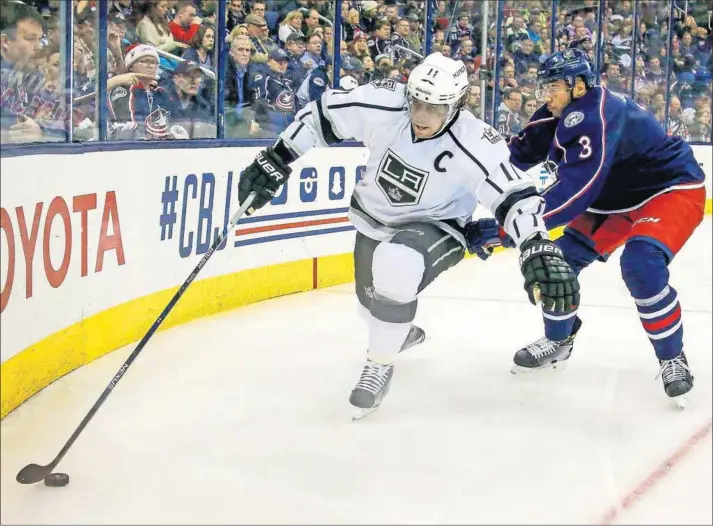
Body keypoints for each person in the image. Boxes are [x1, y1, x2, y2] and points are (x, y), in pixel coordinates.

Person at [235, 52, 580, 420]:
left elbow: (513, 194)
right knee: (370, 305)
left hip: (439, 225)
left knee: (395, 265)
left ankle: (378, 366)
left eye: (435, 108)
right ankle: (399, 331)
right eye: (417, 103)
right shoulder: (384, 103)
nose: (422, 117)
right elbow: (324, 114)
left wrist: (536, 244)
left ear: (458, 103)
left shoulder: (476, 141)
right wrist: (277, 156)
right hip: (375, 219)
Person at [467, 49, 706, 408]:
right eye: (543, 86)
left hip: (668, 190)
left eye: (554, 86)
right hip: (613, 199)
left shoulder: (593, 115)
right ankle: (560, 340)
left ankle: (672, 359)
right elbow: (510, 156)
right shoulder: (558, 111)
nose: (547, 94)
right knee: (554, 266)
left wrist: (505, 229)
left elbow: (576, 191)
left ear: (579, 85)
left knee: (641, 265)